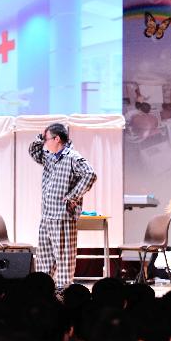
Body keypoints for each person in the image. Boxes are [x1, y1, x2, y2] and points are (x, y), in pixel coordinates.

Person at [29, 123, 97, 291]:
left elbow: (90, 174)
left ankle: (64, 291)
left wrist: (73, 196)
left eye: (47, 139)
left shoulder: (72, 156)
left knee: (64, 256)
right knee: (45, 257)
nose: (45, 143)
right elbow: (34, 152)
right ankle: (42, 289)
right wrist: (40, 136)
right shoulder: (49, 155)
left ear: (57, 139)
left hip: (62, 215)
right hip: (47, 215)